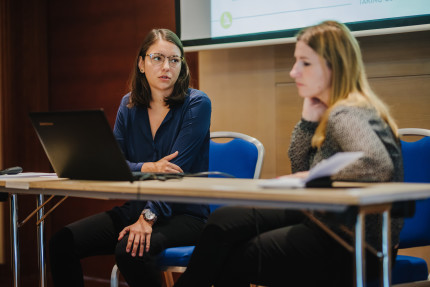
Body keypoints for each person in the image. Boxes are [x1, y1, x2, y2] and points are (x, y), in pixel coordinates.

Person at [173, 20, 404, 287]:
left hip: (355, 247)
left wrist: (316, 175)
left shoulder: (346, 114)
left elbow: (377, 165)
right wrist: (307, 121)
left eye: (304, 63)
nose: (294, 72)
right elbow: (299, 167)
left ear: (333, 66)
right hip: (325, 223)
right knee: (221, 222)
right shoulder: (332, 111)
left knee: (239, 256)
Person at [49, 28, 212, 287]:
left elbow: (174, 171)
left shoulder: (197, 103)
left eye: (174, 59)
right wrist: (146, 166)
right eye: (157, 58)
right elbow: (115, 164)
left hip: (186, 215)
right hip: (136, 208)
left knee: (130, 251)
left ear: (182, 65)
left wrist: (147, 218)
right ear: (141, 63)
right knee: (61, 243)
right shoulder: (129, 105)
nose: (166, 66)